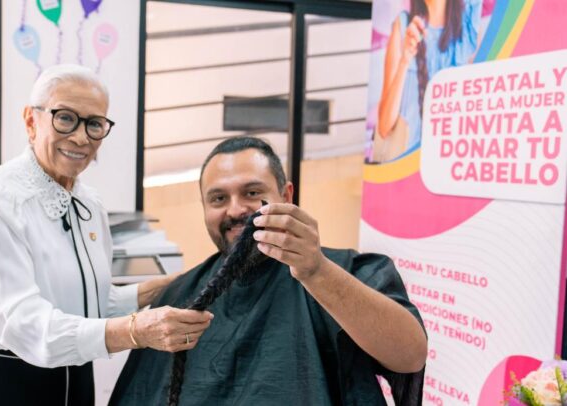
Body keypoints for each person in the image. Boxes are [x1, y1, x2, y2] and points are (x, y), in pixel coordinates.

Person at [0, 64, 213, 406]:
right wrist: (136, 331)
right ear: (31, 121)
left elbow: (93, 303)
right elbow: (25, 325)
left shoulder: (89, 203)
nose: (81, 137)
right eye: (66, 118)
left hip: (76, 381)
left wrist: (169, 287)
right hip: (2, 384)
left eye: (94, 124)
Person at [110, 137, 427, 405]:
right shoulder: (179, 296)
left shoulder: (348, 272)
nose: (236, 209)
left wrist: (316, 272)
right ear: (204, 208)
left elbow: (409, 355)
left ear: (286, 196)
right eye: (219, 198)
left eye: (251, 193)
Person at [375, 0, 482, 162]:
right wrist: (405, 60)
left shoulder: (467, 26)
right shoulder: (403, 25)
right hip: (408, 165)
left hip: (452, 162)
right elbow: (384, 127)